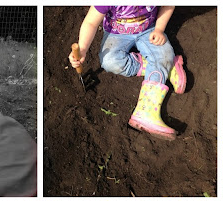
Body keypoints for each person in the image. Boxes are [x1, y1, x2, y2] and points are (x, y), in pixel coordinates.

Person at [69, 6, 186, 140]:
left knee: (163, 55)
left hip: (149, 30)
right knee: (109, 61)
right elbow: (91, 22)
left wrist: (159, 29)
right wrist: (82, 49)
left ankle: (146, 112)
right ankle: (165, 67)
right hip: (116, 33)